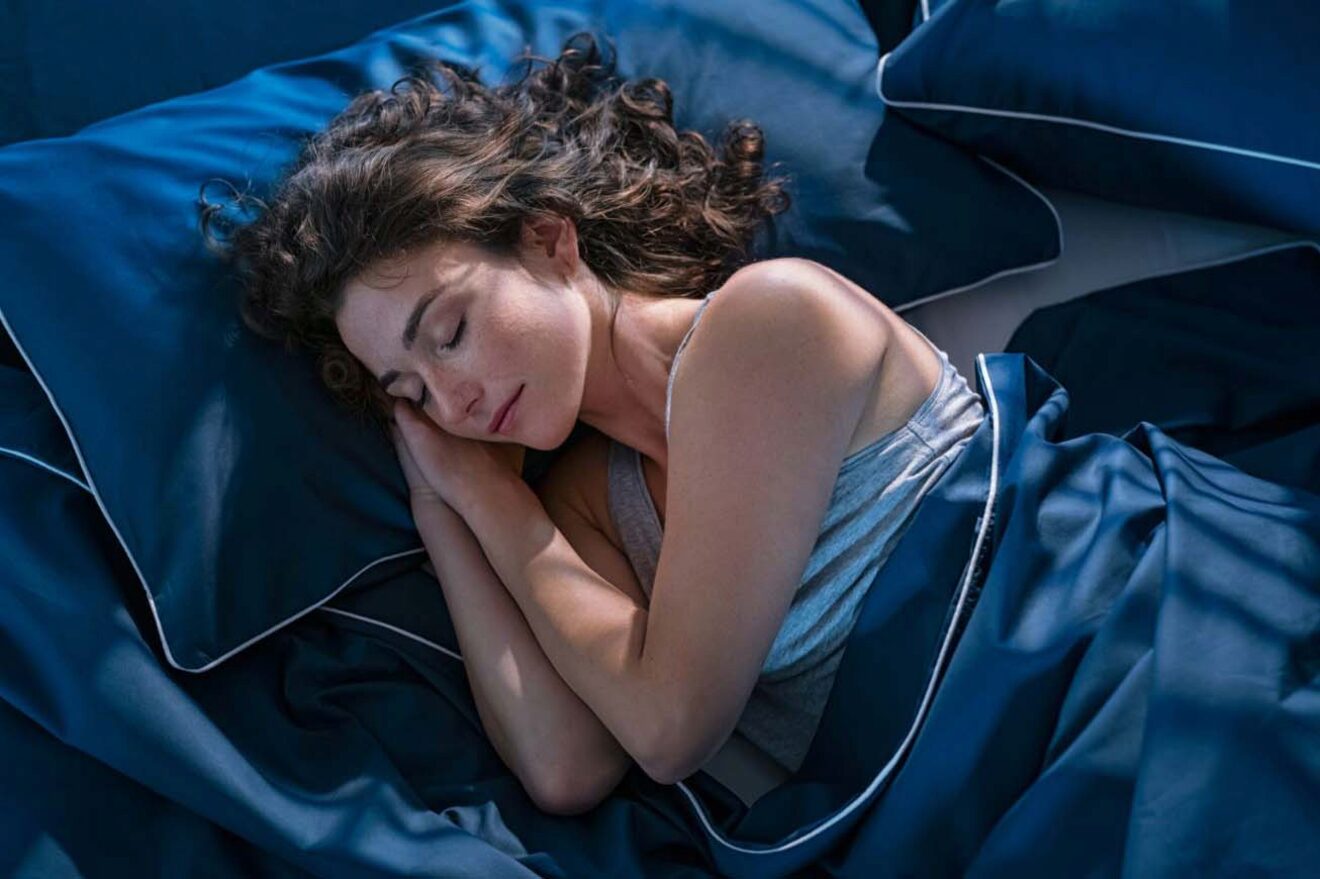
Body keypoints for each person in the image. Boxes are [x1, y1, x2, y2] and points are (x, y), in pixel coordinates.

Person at [199, 32, 985, 816]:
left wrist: (497, 504)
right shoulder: (589, 505)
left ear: (549, 240)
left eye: (449, 333)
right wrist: (446, 505)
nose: (453, 403)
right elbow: (565, 765)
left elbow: (668, 727)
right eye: (411, 392)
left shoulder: (770, 320)